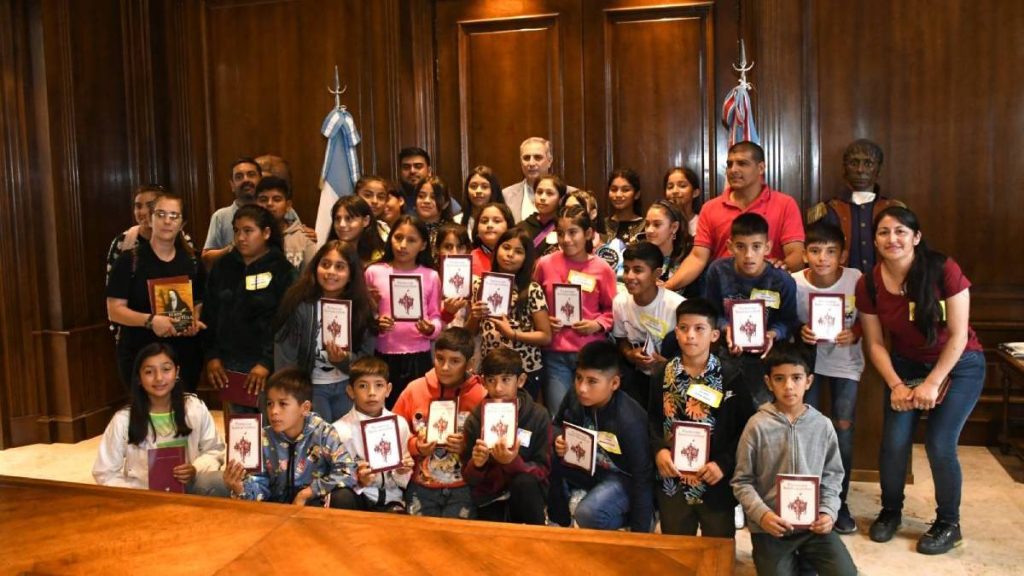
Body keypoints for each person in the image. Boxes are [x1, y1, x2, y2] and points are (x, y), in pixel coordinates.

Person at [857, 206, 985, 555]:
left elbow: (959, 336)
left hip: (959, 365)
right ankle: (890, 511)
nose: (892, 238)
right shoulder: (868, 282)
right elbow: (875, 343)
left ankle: (949, 523)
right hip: (904, 365)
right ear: (875, 240)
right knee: (894, 442)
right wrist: (897, 385)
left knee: (939, 443)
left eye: (900, 231)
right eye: (883, 232)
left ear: (916, 237)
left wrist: (932, 383)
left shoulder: (944, 269)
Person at [731, 344, 857, 576]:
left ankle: (805, 560)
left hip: (812, 527)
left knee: (846, 573)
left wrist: (828, 512)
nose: (788, 386)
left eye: (796, 378)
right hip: (772, 528)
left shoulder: (823, 425)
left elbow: (833, 476)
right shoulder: (757, 426)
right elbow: (742, 481)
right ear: (768, 382)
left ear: (808, 381)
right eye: (779, 378)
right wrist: (763, 515)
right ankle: (795, 562)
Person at [651, 298, 754, 537]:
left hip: (714, 478)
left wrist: (724, 464)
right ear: (675, 332)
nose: (691, 336)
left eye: (700, 329)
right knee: (677, 546)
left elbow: (746, 428)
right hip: (673, 478)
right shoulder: (662, 375)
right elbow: (653, 420)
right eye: (684, 328)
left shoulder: (730, 377)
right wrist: (659, 450)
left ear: (715, 335)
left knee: (718, 545)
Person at [792, 221, 864, 534]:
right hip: (809, 365)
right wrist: (800, 332)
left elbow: (868, 320)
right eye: (815, 251)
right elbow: (786, 322)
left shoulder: (855, 279)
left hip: (846, 364)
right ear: (805, 253)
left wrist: (855, 332)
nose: (822, 258)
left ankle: (839, 503)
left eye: (830, 252)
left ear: (842, 255)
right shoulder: (795, 282)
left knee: (842, 430)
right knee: (806, 430)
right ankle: (806, 499)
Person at [664, 142, 805, 293]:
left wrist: (776, 268)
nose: (733, 170)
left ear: (761, 168)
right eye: (729, 164)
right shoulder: (711, 208)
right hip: (723, 295)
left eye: (742, 163)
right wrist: (666, 288)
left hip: (770, 293)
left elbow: (796, 255)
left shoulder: (785, 204)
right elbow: (698, 258)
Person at [93, 343, 226, 495]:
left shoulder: (194, 408)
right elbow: (104, 472)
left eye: (166, 369)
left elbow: (214, 449)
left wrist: (195, 469)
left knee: (221, 482)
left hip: (189, 490)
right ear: (138, 377)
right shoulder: (123, 420)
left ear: (177, 372)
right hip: (144, 496)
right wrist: (139, 494)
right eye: (149, 372)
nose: (159, 378)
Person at [106, 189, 205, 392]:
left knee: (182, 415)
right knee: (146, 417)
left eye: (174, 216)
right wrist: (151, 321)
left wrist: (194, 319)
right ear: (150, 219)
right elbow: (114, 310)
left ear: (182, 224)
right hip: (140, 353)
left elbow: (199, 301)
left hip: (183, 353)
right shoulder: (129, 260)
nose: (167, 221)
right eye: (160, 214)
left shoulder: (193, 261)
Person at [549, 341, 654, 533]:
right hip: (585, 466)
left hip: (621, 477)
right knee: (546, 455)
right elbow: (555, 426)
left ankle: (623, 520)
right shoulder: (574, 396)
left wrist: (641, 534)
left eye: (592, 381)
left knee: (587, 513)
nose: (582, 388)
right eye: (578, 378)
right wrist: (558, 438)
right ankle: (561, 524)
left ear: (614, 383)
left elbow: (642, 477)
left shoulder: (630, 420)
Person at [202, 205, 296, 415]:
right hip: (229, 364)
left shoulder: (281, 270)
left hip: (268, 365)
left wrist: (266, 362)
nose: (240, 237)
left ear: (266, 233)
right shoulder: (223, 266)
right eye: (236, 231)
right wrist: (212, 356)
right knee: (240, 435)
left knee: (271, 429)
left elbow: (288, 322)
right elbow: (209, 313)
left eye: (248, 231)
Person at [222, 368, 361, 508]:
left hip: (313, 507)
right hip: (275, 511)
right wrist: (240, 487)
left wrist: (308, 492)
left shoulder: (323, 433)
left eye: (283, 404)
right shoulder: (263, 438)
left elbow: (348, 471)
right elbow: (260, 488)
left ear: (305, 408)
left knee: (345, 497)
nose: (273, 411)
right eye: (270, 403)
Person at [274, 240, 377, 423]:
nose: (331, 272)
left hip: (348, 386)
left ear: (351, 274)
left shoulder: (363, 307)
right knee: (318, 441)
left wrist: (343, 360)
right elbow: (285, 356)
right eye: (325, 264)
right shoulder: (298, 303)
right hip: (311, 387)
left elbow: (366, 360)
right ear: (315, 267)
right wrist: (292, 393)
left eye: (339, 267)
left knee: (347, 442)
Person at [392, 327, 487, 518]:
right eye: (440, 358)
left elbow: (489, 447)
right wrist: (416, 446)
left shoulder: (481, 396)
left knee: (456, 543)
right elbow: (393, 435)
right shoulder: (414, 390)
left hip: (463, 488)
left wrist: (466, 447)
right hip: (421, 486)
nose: (445, 367)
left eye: (455, 361)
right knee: (420, 541)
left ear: (469, 364)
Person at [705, 213, 798, 406]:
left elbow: (789, 321)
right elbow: (711, 313)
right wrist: (726, 328)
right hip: (727, 352)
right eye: (740, 247)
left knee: (762, 412)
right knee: (724, 409)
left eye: (756, 247)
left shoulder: (782, 281)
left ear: (768, 247)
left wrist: (772, 334)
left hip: (766, 358)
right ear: (730, 246)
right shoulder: (717, 271)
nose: (748, 255)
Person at [534, 204, 616, 416]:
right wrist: (545, 320)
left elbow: (612, 309)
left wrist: (596, 324)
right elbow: (534, 303)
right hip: (555, 353)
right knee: (558, 413)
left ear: (588, 233)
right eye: (560, 233)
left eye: (573, 232)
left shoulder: (602, 268)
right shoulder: (545, 264)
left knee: (592, 414)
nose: (566, 239)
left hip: (590, 354)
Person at [462, 348, 552, 525]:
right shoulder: (475, 418)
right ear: (483, 383)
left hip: (527, 493)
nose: (498, 388)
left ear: (521, 380)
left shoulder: (538, 415)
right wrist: (477, 465)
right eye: (491, 380)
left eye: (506, 380)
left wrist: (511, 462)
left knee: (524, 482)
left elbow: (543, 470)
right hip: (490, 496)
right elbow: (469, 477)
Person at [365, 215, 443, 407]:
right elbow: (365, 314)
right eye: (398, 237)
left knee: (418, 412)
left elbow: (435, 316)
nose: (402, 245)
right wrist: (376, 321)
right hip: (384, 354)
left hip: (419, 354)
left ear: (423, 245)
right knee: (385, 410)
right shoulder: (374, 272)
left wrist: (430, 329)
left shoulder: (431, 276)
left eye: (411, 240)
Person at [467, 227, 552, 399]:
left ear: (526, 259)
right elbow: (471, 333)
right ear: (497, 249)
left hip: (525, 370)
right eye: (506, 247)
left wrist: (512, 334)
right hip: (491, 369)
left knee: (522, 419)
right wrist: (474, 317)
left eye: (518, 251)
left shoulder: (531, 289)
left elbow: (545, 336)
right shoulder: (481, 285)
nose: (510, 254)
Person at [807, 139, 905, 273]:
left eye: (868, 163)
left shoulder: (894, 210)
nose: (860, 170)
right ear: (844, 168)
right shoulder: (827, 211)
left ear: (879, 170)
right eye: (854, 163)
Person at [332, 357, 414, 512]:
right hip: (359, 496)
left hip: (392, 499)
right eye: (363, 386)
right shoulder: (339, 430)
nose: (371, 393)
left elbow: (402, 479)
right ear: (350, 391)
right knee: (341, 497)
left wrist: (402, 470)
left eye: (379, 385)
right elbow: (335, 477)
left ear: (388, 389)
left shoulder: (400, 424)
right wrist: (359, 480)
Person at [613, 241, 685, 408]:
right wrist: (630, 354)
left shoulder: (677, 306)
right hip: (637, 378)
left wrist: (668, 365)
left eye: (638, 270)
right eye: (626, 269)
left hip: (672, 380)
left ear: (656, 274)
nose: (629, 276)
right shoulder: (619, 302)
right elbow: (620, 339)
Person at [201, 157, 261, 269]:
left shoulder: (274, 210)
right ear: (232, 185)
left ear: (260, 180)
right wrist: (232, 247)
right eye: (239, 177)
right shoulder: (220, 216)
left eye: (251, 174)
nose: (245, 180)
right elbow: (206, 258)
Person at [256, 176, 316, 271]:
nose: (269, 204)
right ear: (256, 204)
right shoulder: (249, 236)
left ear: (288, 206)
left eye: (276, 199)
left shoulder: (304, 238)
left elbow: (310, 278)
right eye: (263, 200)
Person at [397, 146, 461, 216]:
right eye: (406, 167)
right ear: (400, 172)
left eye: (418, 166)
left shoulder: (443, 200)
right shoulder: (393, 200)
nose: (412, 171)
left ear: (429, 171)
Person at [327, 195, 386, 268]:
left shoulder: (380, 259)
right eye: (337, 219)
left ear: (366, 220)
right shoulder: (326, 253)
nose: (341, 224)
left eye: (349, 218)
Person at [434, 223, 473, 328]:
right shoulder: (430, 280)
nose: (454, 253)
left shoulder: (475, 282)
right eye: (448, 247)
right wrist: (447, 313)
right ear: (437, 249)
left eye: (460, 247)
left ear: (467, 250)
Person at [520, 174, 568, 257]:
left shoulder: (564, 227)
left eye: (549, 193)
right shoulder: (522, 227)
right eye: (539, 192)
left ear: (561, 199)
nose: (542, 197)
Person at [454, 165, 503, 239]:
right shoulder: (456, 221)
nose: (478, 191)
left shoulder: (503, 221)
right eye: (473, 186)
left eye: (484, 187)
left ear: (493, 190)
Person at [414, 175, 456, 259]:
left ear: (445, 204)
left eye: (433, 197)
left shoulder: (453, 232)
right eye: (421, 196)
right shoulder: (408, 228)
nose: (426, 201)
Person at [469, 202, 514, 274]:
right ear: (477, 230)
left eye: (497, 221)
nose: (489, 225)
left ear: (508, 227)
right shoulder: (468, 261)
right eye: (484, 221)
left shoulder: (516, 256)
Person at [604, 168, 646, 245]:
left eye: (625, 190)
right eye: (614, 189)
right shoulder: (602, 225)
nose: (618, 195)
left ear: (637, 194)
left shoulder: (646, 226)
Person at [663, 166, 702, 237]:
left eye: (682, 186)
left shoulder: (702, 223)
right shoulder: (662, 223)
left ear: (695, 193)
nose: (674, 191)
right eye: (670, 187)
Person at [354, 175, 394, 242]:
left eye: (381, 197)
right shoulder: (349, 227)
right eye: (368, 195)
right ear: (356, 196)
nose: (375, 201)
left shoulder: (384, 228)